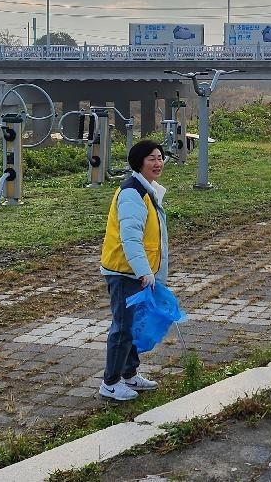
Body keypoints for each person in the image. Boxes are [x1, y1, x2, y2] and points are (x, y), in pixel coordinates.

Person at [98, 139, 169, 401]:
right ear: (139, 162)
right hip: (125, 272)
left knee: (132, 326)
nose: (158, 163)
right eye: (151, 158)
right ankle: (110, 383)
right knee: (123, 327)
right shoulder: (132, 193)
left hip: (137, 272)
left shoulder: (148, 190)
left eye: (160, 157)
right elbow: (130, 238)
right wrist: (143, 271)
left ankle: (129, 373)